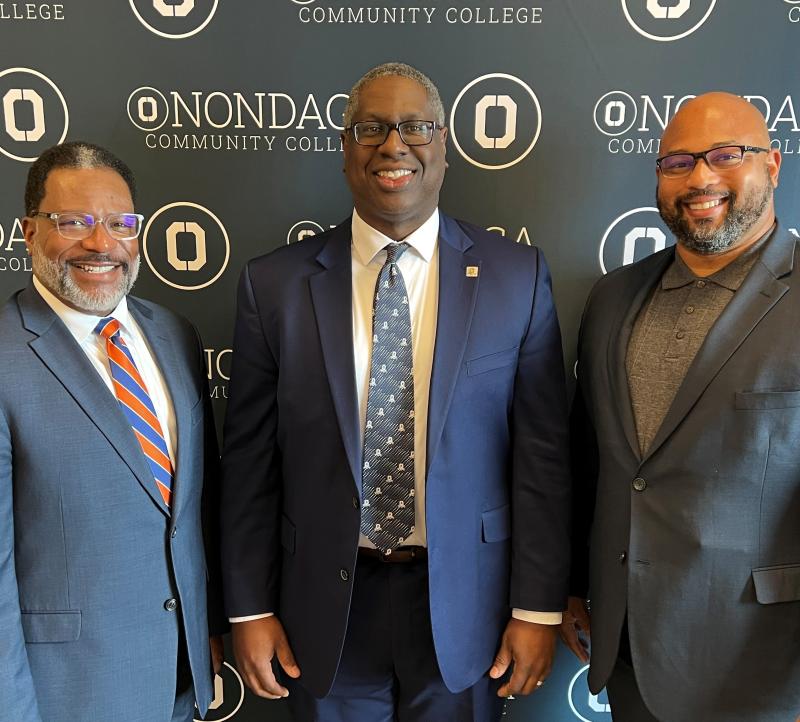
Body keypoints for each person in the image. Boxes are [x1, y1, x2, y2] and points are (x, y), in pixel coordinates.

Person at [220, 62, 571, 720]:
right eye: (371, 128)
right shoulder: (274, 286)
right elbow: (249, 464)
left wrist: (537, 607)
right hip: (322, 610)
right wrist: (251, 605)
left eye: (415, 127)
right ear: (345, 149)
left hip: (470, 608)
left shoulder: (516, 278)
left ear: (443, 144)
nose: (394, 145)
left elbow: (542, 461)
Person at [562, 92, 800, 721]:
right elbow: (590, 460)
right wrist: (573, 584)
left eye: (726, 156)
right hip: (631, 655)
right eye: (677, 163)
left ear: (773, 164)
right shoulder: (613, 298)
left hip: (766, 665)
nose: (700, 178)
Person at [0, 141, 226, 722]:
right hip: (68, 696)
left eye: (120, 223)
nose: (101, 244)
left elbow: (195, 512)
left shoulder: (174, 334)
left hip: (181, 684)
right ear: (29, 232)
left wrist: (207, 636)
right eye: (72, 222)